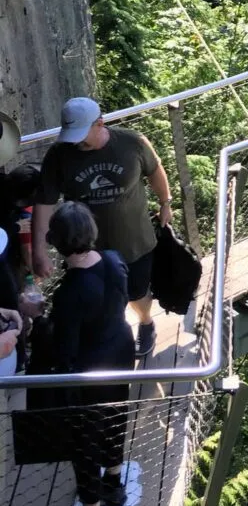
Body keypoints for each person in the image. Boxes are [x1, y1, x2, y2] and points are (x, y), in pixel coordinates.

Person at [34, 97, 173, 358]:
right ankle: (106, 340)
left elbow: (155, 170)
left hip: (135, 242)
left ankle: (145, 322)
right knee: (94, 297)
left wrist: (165, 202)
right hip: (84, 250)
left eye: (82, 134)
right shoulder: (59, 156)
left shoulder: (132, 142)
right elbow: (44, 203)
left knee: (137, 292)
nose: (76, 141)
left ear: (100, 123)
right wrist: (38, 252)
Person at [47, 202, 135, 506]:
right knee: (115, 417)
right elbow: (119, 302)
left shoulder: (70, 292)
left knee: (85, 441)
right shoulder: (114, 260)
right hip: (122, 354)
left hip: (90, 371)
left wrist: (44, 324)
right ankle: (114, 482)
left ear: (58, 243)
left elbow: (65, 351)